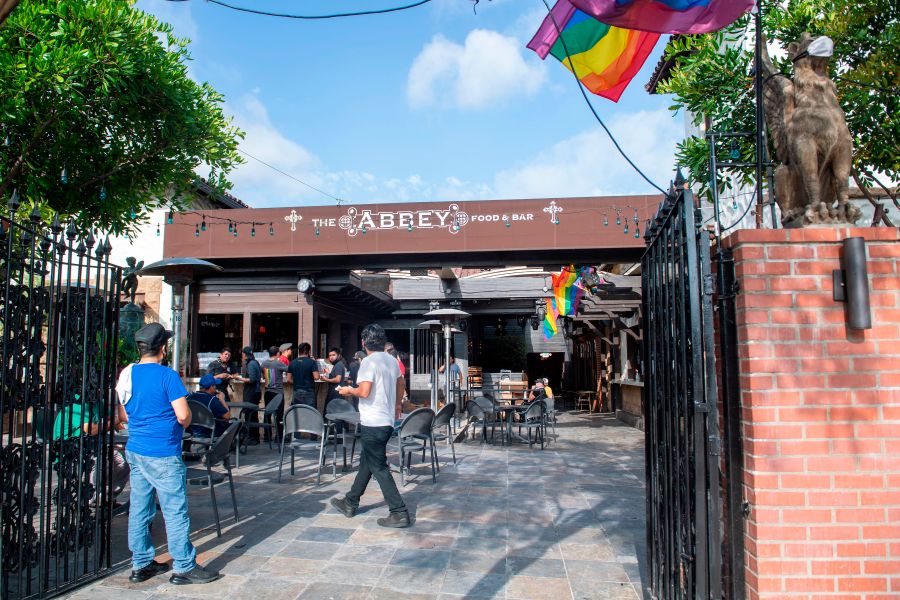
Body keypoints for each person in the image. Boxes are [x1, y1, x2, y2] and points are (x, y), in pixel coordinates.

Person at [115, 323, 220, 586]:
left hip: (136, 449)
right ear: (163, 348)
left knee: (140, 507)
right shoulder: (167, 376)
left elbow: (123, 415)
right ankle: (184, 566)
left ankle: (141, 563)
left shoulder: (127, 374)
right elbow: (184, 416)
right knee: (174, 510)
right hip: (162, 451)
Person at [330, 324, 410, 528]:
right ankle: (350, 502)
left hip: (373, 421)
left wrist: (349, 390)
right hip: (387, 421)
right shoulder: (391, 360)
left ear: (363, 342)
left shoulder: (368, 362)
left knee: (379, 466)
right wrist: (397, 404)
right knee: (368, 461)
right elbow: (401, 383)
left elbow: (364, 392)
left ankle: (399, 512)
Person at [52, 393, 130, 504]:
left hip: (94, 445)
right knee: (97, 461)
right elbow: (90, 429)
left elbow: (113, 420)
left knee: (123, 462)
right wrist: (118, 419)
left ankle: (105, 497)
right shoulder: (78, 405)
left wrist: (124, 426)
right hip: (72, 451)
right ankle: (87, 500)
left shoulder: (97, 402)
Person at [185, 373, 230, 438]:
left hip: (190, 431)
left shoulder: (189, 397)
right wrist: (222, 400)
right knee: (236, 424)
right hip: (209, 433)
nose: (215, 387)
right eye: (215, 385)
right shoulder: (212, 400)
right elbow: (227, 416)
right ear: (211, 386)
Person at [235, 347, 263, 444]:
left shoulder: (251, 364)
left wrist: (238, 378)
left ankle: (252, 438)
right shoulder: (255, 362)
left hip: (252, 392)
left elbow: (252, 379)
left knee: (250, 415)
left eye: (242, 354)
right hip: (255, 392)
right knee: (252, 415)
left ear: (244, 354)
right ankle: (254, 437)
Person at [288, 342, 319, 407]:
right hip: (309, 392)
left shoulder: (292, 363)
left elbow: (289, 379)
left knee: (298, 410)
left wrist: (297, 382)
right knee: (310, 411)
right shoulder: (312, 362)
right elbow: (316, 377)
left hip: (297, 392)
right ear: (309, 351)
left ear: (299, 351)